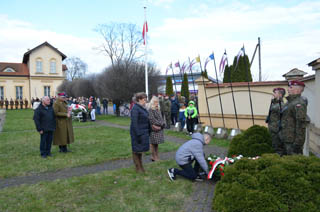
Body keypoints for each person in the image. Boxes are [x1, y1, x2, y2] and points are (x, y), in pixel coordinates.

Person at [279, 80, 307, 155]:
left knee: (293, 163)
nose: (288, 89)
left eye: (291, 87)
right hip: (285, 138)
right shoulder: (289, 102)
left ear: (298, 90)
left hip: (292, 141)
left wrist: (298, 144)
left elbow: (301, 124)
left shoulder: (299, 103)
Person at [130, 92, 150, 173]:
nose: (145, 101)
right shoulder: (135, 108)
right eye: (144, 99)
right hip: (137, 133)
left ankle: (141, 167)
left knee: (140, 151)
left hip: (143, 132)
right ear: (139, 99)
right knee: (136, 151)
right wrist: (138, 134)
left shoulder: (141, 108)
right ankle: (138, 168)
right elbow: (134, 123)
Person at [266, 87, 286, 155]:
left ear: (280, 95)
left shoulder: (281, 105)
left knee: (278, 147)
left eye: (275, 93)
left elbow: (283, 118)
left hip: (277, 130)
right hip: (272, 129)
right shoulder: (275, 103)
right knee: (274, 145)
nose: (273, 94)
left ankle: (279, 159)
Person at [148, 96, 165, 162]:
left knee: (156, 143)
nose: (156, 103)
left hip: (159, 128)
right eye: (155, 102)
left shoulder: (158, 109)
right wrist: (161, 123)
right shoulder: (151, 109)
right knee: (152, 143)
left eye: (157, 102)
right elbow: (152, 120)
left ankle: (156, 156)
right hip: (154, 129)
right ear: (152, 102)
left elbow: (161, 118)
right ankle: (154, 157)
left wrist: (163, 123)